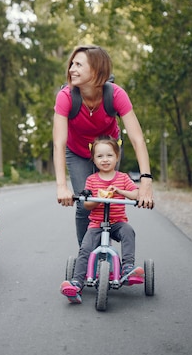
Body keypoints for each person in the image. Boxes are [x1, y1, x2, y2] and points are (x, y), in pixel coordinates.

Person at [53, 45, 154, 247]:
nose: (72, 69)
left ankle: (108, 244)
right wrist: (62, 186)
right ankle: (87, 257)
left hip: (107, 150)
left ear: (97, 70)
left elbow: (137, 139)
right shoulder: (65, 97)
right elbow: (59, 142)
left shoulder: (116, 95)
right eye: (72, 63)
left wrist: (146, 182)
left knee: (108, 200)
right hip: (77, 152)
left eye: (79, 64)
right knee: (85, 204)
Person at [60, 136, 142, 304]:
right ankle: (76, 283)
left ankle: (127, 267)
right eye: (100, 156)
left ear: (117, 157)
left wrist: (119, 191)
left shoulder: (123, 178)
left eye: (109, 155)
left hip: (117, 221)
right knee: (85, 247)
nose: (105, 160)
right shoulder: (91, 180)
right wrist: (98, 198)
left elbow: (136, 194)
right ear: (94, 159)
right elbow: (87, 205)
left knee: (128, 231)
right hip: (97, 224)